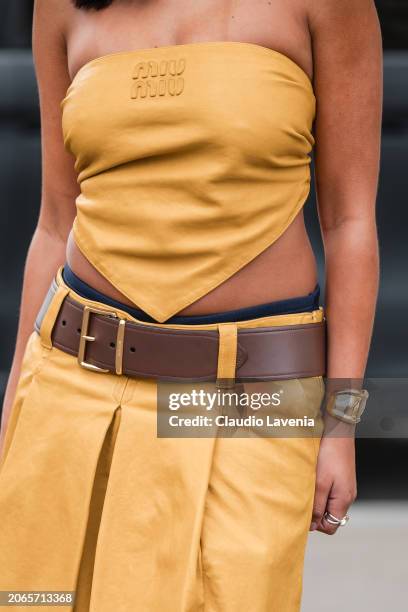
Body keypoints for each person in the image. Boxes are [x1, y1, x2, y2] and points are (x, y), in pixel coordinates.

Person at [0, 0, 382, 610]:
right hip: (75, 384)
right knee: (41, 599)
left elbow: (350, 223)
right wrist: (13, 416)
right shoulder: (63, 7)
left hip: (253, 394)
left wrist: (340, 425)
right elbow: (54, 224)